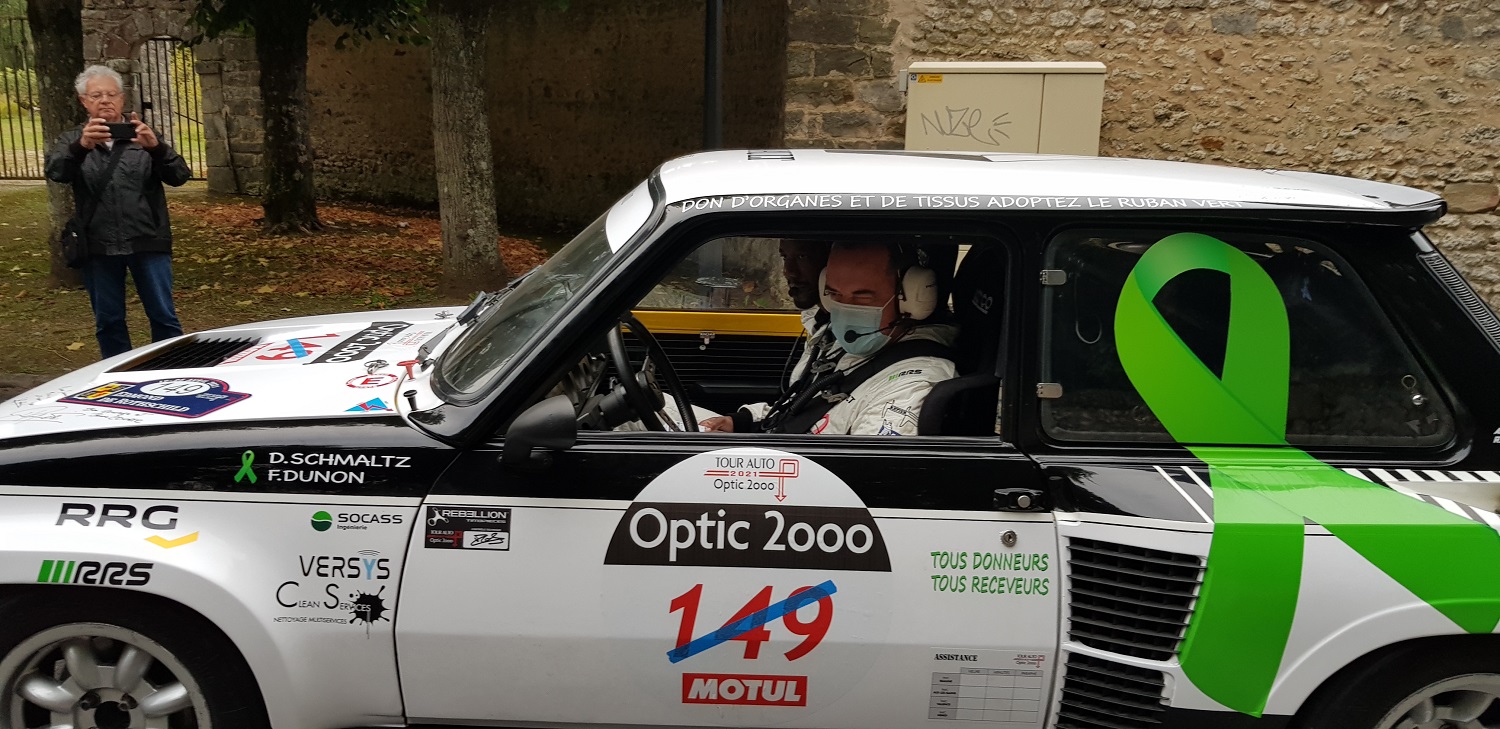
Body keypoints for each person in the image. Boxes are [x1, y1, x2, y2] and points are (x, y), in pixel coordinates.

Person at [701, 240, 958, 436]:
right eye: (834, 294)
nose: (845, 309)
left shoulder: (909, 386)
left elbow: (862, 475)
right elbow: (806, 409)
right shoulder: (847, 344)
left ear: (911, 298)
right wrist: (744, 422)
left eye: (863, 297)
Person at [45, 65, 191, 359]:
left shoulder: (144, 135)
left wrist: (157, 149)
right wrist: (81, 146)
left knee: (163, 316)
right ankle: (118, 376)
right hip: (99, 244)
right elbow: (57, 172)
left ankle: (173, 370)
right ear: (84, 101)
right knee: (109, 321)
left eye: (111, 94)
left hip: (148, 240)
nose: (105, 100)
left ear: (122, 99)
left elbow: (179, 176)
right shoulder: (73, 138)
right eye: (96, 95)